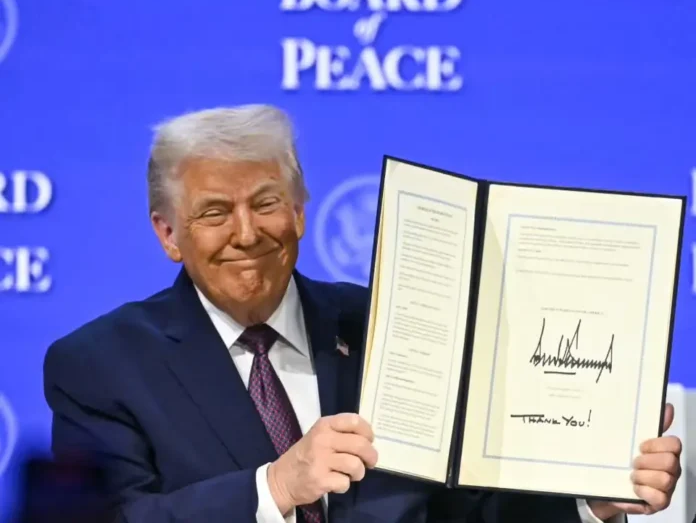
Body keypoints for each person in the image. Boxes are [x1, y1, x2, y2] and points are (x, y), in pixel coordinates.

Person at [43, 105, 682, 523]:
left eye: (266, 203)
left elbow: (466, 510)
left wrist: (589, 499)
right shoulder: (100, 365)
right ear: (168, 234)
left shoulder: (390, 326)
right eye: (214, 212)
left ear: (299, 211)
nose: (247, 232)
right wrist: (274, 487)